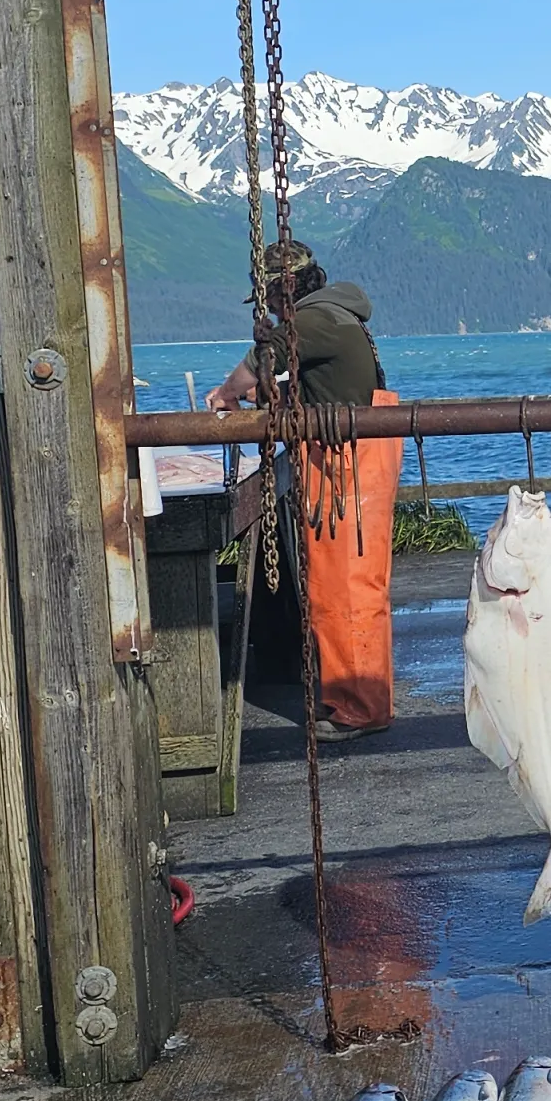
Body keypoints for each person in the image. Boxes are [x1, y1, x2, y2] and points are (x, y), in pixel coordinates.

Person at [206, 242, 406, 742]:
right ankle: (354, 696)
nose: (269, 309)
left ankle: (360, 707)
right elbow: (307, 384)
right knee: (345, 588)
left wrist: (226, 395)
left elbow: (260, 359)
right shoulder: (337, 317)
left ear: (283, 288)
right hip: (349, 466)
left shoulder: (314, 322)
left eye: (270, 298)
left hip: (347, 472)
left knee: (345, 591)